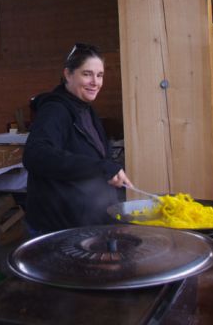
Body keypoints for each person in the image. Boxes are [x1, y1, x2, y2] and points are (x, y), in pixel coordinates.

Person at [23, 43, 133, 235]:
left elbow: (92, 160)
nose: (95, 82)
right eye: (87, 74)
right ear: (68, 74)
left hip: (84, 221)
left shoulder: (85, 109)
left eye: (99, 75)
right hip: (57, 228)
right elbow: (35, 155)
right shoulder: (55, 110)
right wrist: (101, 168)